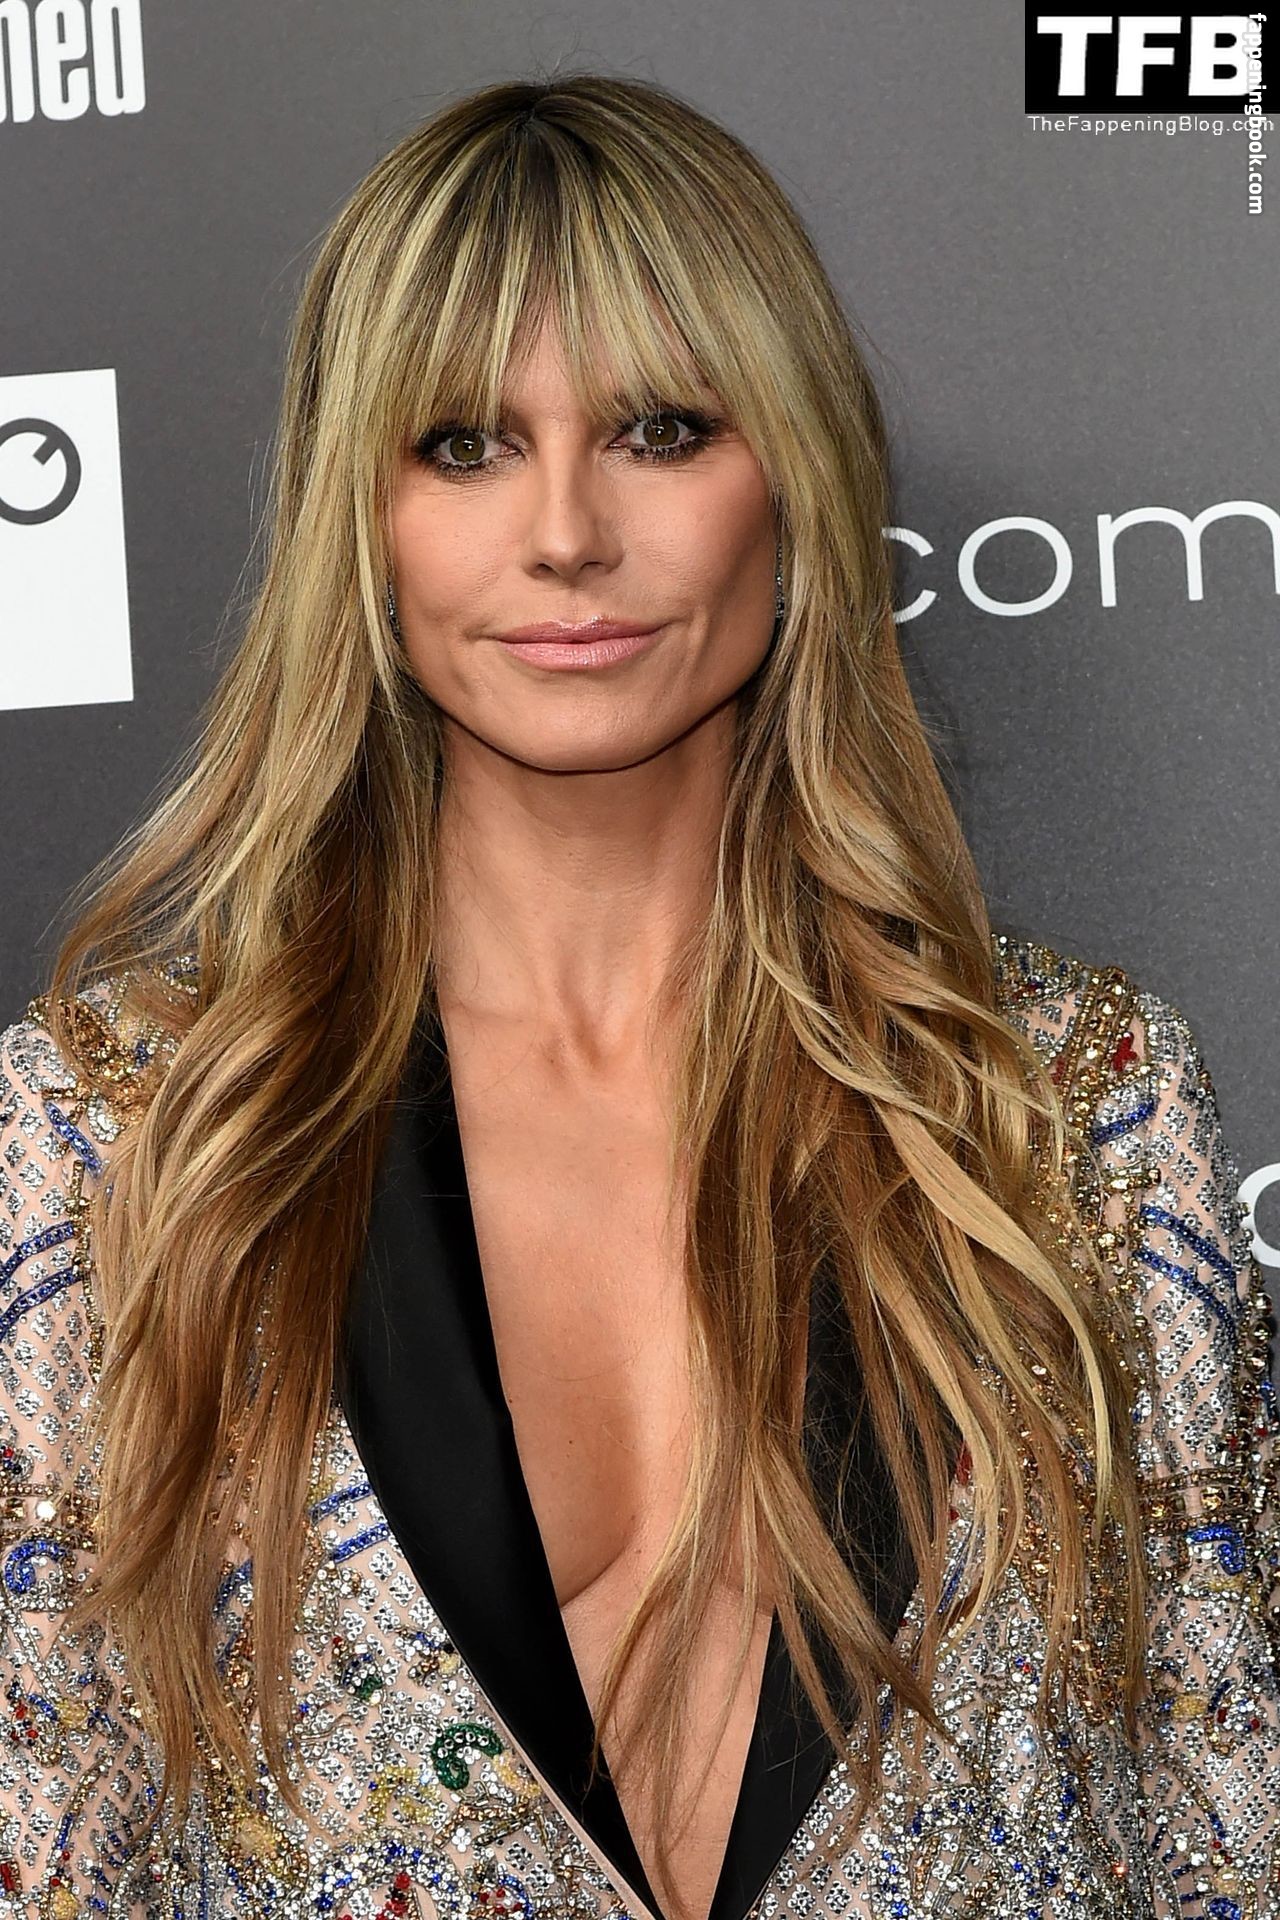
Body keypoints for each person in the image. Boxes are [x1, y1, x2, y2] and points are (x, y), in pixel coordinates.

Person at [0, 71, 1276, 1920]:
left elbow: (1226, 1823)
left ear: (798, 476)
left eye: (661, 430)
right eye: (463, 445)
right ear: (359, 513)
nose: (568, 532)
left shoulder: (1080, 1102)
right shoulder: (114, 1134)